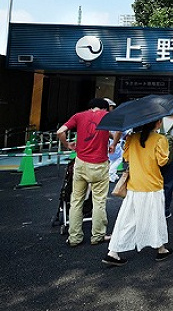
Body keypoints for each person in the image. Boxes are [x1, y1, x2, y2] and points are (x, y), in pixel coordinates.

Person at [102, 119, 173, 266]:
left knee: (126, 219)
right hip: (153, 184)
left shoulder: (131, 138)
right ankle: (160, 248)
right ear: (158, 123)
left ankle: (113, 252)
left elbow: (126, 157)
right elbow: (162, 162)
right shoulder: (161, 139)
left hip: (134, 185)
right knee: (156, 217)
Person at [56, 98, 119, 247]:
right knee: (99, 201)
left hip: (81, 164)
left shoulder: (79, 116)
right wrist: (114, 144)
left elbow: (60, 131)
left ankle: (75, 237)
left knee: (76, 200)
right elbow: (118, 131)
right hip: (99, 164)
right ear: (104, 108)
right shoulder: (107, 117)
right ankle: (97, 236)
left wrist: (67, 144)